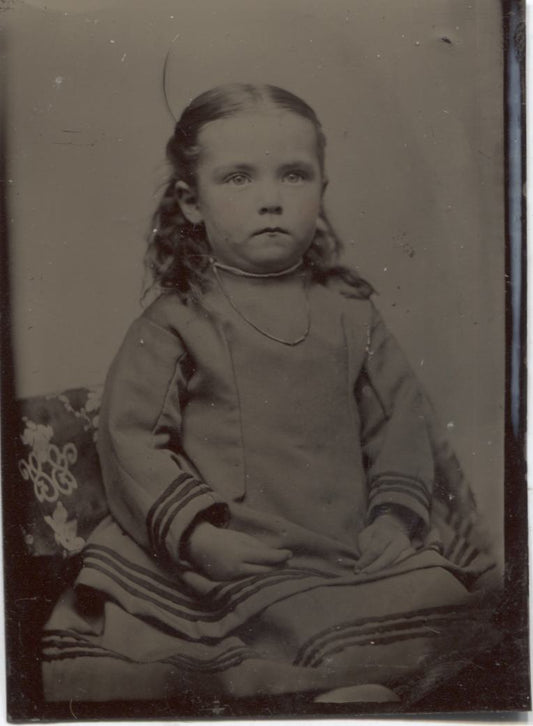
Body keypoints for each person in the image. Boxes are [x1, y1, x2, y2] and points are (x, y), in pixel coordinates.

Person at [42, 83, 499, 705]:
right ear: (191, 202)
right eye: (237, 179)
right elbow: (130, 439)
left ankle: (353, 678)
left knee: (449, 602)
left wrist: (393, 518)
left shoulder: (352, 314)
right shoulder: (175, 321)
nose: (270, 200)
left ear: (322, 192)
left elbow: (400, 423)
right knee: (255, 621)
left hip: (343, 546)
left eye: (293, 175)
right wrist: (200, 537)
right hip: (236, 551)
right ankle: (314, 685)